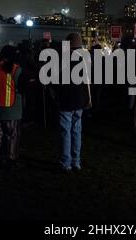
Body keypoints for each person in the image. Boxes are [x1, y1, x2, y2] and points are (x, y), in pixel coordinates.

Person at [56, 33, 90, 172]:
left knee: (66, 132)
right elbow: (88, 80)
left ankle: (66, 162)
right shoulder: (85, 58)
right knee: (77, 131)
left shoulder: (63, 58)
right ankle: (76, 161)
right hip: (80, 99)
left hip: (66, 99)